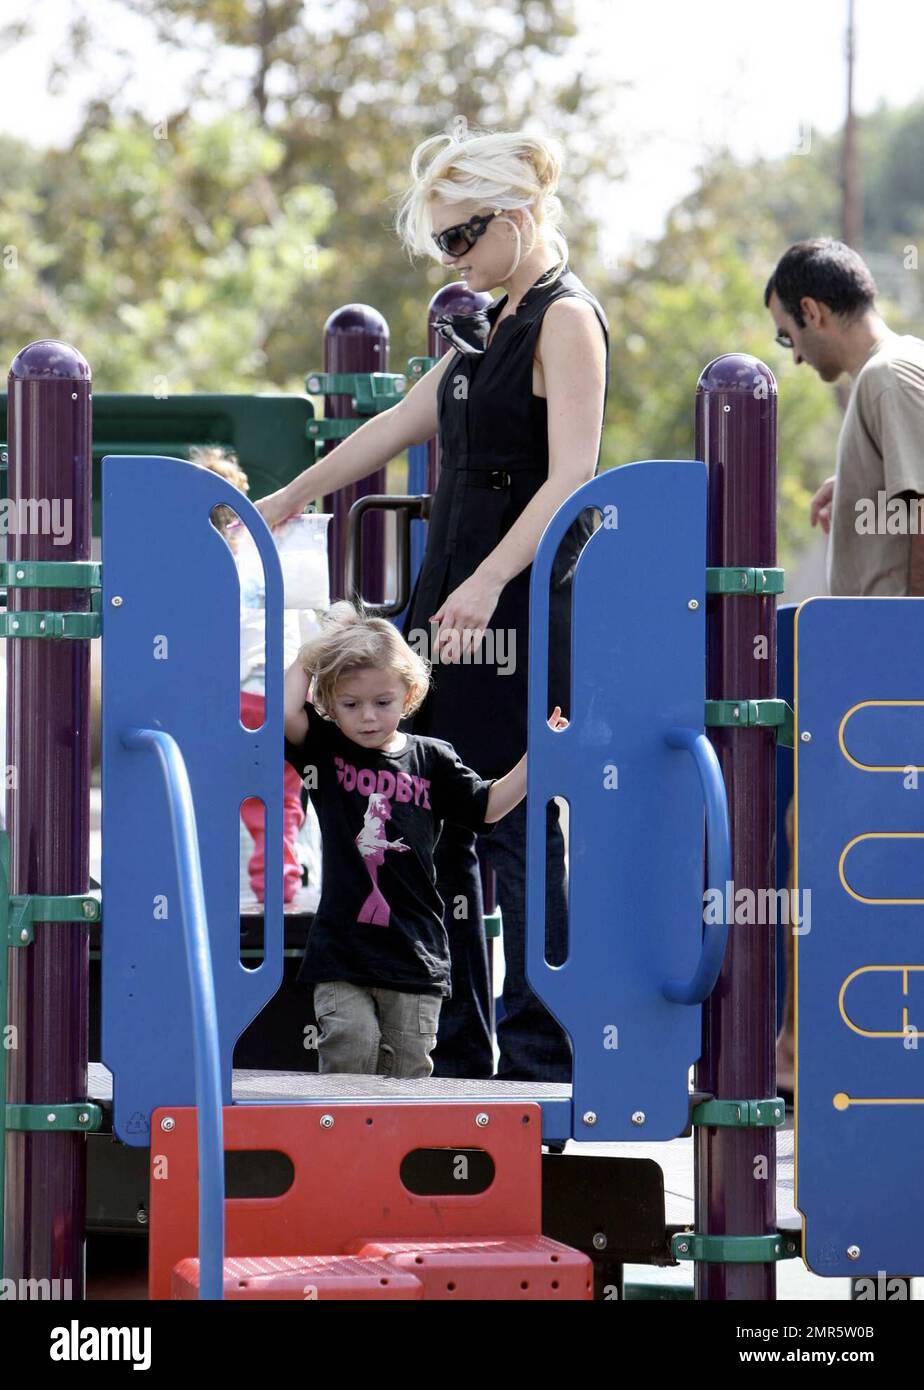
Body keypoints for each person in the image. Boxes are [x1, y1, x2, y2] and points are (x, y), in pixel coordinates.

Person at [258, 127, 609, 1082]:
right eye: (444, 243)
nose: (453, 260)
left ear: (518, 219)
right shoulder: (486, 325)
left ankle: (538, 1057)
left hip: (521, 604)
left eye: (462, 238)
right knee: (434, 816)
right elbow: (393, 426)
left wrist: (493, 579)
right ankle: (455, 1047)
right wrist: (288, 498)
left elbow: (573, 475)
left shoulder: (564, 320)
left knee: (523, 826)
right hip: (447, 610)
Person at [765, 238, 924, 1098]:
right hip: (873, 670)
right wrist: (850, 481)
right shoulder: (898, 375)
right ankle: (811, 1051)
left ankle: (804, 1058)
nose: (794, 354)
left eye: (789, 336)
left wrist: (909, 645)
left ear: (815, 313)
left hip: (890, 670)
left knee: (828, 852)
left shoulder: (886, 377)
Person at [282, 600, 567, 1078]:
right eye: (351, 705)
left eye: (383, 702)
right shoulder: (328, 751)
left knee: (407, 1071)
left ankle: (394, 1153)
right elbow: (283, 709)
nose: (368, 717)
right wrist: (318, 652)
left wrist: (536, 759)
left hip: (416, 953)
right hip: (343, 951)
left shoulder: (432, 759)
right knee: (351, 1048)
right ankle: (346, 1153)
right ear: (329, 703)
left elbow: (488, 805)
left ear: (409, 694)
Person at [190, 445, 319, 905]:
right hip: (282, 693)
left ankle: (196, 888)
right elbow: (308, 621)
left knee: (205, 790)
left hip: (227, 695)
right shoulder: (272, 547)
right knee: (278, 793)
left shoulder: (193, 557)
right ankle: (278, 886)